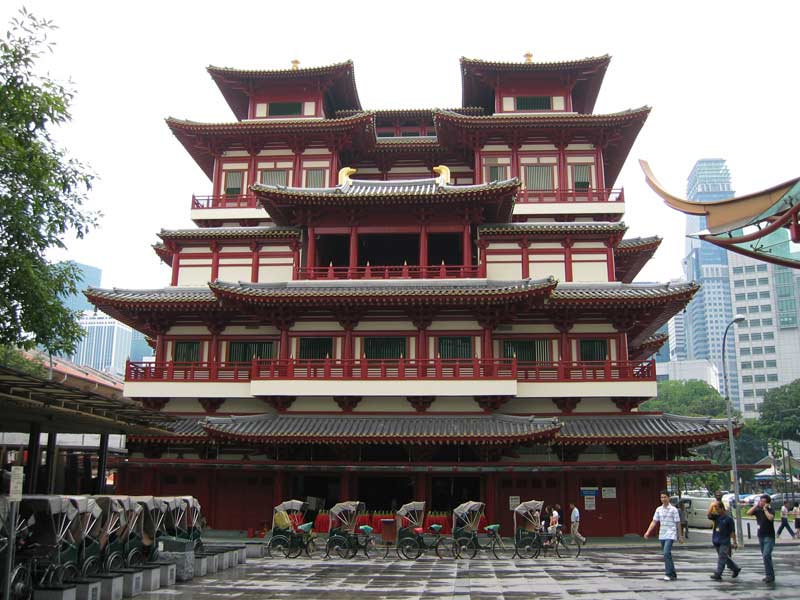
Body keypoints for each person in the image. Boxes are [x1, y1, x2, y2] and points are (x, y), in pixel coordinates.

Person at [644, 491, 683, 581]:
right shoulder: (658, 509)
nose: (663, 499)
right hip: (662, 534)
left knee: (666, 552)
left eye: (665, 497)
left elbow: (678, 523)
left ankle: (668, 574)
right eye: (662, 497)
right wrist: (648, 532)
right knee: (667, 554)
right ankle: (673, 573)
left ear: (669, 498)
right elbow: (654, 521)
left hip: (671, 533)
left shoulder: (674, 509)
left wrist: (680, 536)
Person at [747, 493, 776, 583]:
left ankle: (769, 575)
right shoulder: (758, 510)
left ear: (767, 503)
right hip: (761, 536)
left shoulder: (770, 510)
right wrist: (756, 506)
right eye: (761, 501)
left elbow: (770, 518)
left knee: (766, 555)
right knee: (766, 557)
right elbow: (748, 513)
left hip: (769, 536)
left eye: (763, 501)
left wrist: (765, 509)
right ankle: (770, 574)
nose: (762, 503)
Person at [709, 504, 741, 580]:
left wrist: (734, 542)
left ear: (723, 509)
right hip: (716, 540)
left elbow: (732, 532)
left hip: (724, 541)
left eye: (718, 509)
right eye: (716, 510)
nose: (717, 511)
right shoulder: (716, 517)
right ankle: (735, 568)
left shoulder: (728, 519)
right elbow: (708, 514)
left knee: (722, 557)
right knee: (724, 557)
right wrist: (712, 505)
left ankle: (718, 573)